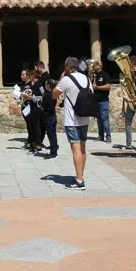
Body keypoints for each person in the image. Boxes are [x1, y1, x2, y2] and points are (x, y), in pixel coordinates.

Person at [53, 56, 92, 190]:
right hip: (84, 118)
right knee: (82, 149)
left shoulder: (66, 79)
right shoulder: (87, 79)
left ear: (69, 67)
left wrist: (62, 78)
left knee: (75, 149)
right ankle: (80, 175)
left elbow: (54, 94)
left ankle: (79, 180)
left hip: (72, 119)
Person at [91, 60, 112, 143]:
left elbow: (108, 86)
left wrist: (97, 88)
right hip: (96, 101)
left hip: (103, 101)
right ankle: (100, 135)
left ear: (100, 66)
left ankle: (108, 136)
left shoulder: (105, 75)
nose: (93, 66)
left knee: (104, 119)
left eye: (95, 65)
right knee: (99, 119)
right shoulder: (94, 76)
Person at [40, 76, 59, 158]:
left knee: (50, 134)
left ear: (48, 85)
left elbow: (42, 106)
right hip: (53, 115)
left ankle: (53, 151)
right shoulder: (54, 94)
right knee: (53, 134)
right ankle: (54, 146)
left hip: (47, 116)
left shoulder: (47, 95)